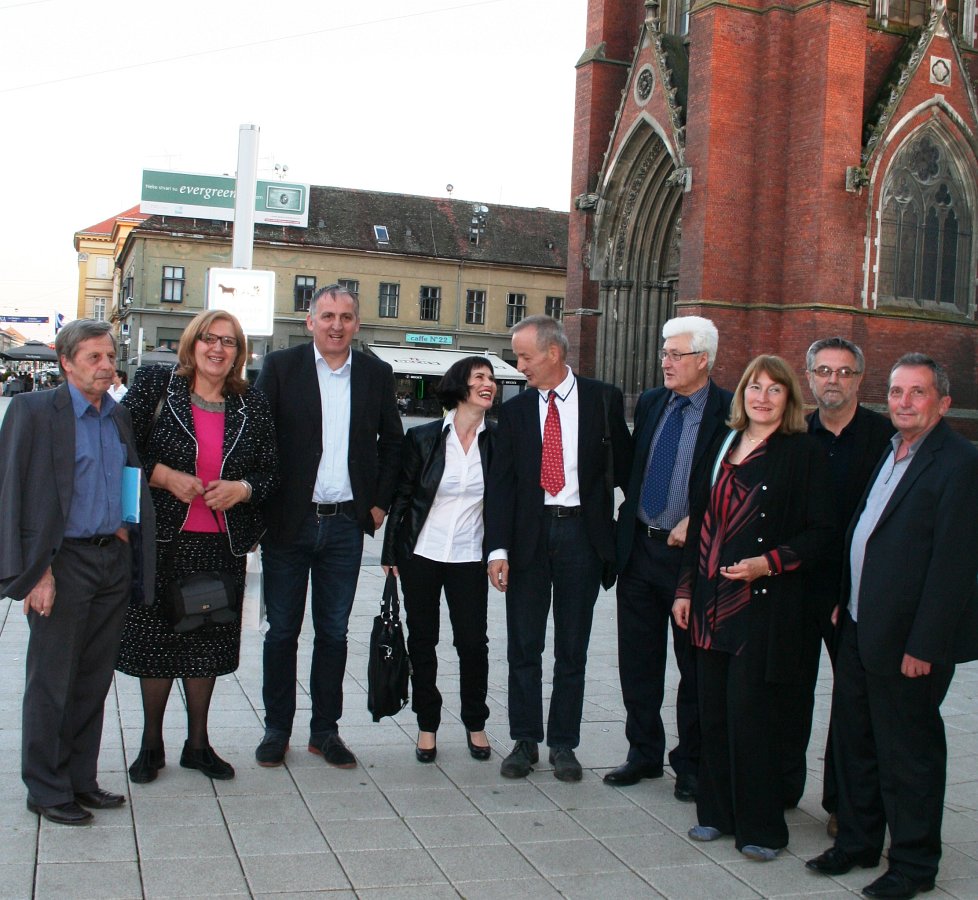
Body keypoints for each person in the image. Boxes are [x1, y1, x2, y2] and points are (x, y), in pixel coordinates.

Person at [806, 354, 978, 899]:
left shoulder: (958, 462)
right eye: (897, 392)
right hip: (859, 623)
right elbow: (866, 528)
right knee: (856, 742)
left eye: (917, 393)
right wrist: (842, 599)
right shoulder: (892, 448)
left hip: (910, 643)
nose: (903, 402)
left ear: (943, 402)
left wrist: (926, 644)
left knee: (909, 755)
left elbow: (955, 565)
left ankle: (913, 864)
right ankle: (857, 842)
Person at [672, 355, 834, 861]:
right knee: (713, 712)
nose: (762, 397)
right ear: (741, 394)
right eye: (754, 387)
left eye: (774, 390)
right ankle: (716, 813)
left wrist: (769, 563)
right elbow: (701, 521)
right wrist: (683, 590)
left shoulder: (801, 453)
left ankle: (763, 828)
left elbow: (823, 533)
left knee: (752, 716)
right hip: (710, 601)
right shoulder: (723, 444)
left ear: (789, 400)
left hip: (761, 603)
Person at [0, 320, 155, 826]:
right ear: (67, 362)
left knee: (92, 679)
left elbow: (128, 476)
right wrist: (34, 572)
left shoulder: (117, 416)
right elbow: (11, 494)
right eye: (94, 357)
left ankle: (80, 780)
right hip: (60, 563)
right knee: (51, 680)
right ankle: (45, 788)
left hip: (110, 559)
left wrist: (126, 534)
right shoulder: (34, 411)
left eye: (110, 356)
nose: (106, 366)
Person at [117, 309, 277, 783]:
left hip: (221, 546)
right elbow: (120, 447)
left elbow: (271, 472)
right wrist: (164, 477)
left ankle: (198, 744)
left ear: (238, 354)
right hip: (161, 541)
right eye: (210, 338)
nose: (218, 349)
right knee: (157, 644)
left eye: (229, 342)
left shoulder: (252, 404)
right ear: (192, 343)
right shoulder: (155, 386)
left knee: (205, 646)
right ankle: (150, 745)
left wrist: (242, 489)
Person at [255, 283, 403, 769]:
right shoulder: (281, 368)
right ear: (310, 322)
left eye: (345, 317)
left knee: (334, 633)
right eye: (327, 316)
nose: (336, 325)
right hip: (289, 523)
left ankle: (325, 730)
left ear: (357, 324)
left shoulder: (377, 375)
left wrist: (378, 505)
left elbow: (392, 445)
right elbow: (259, 437)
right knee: (282, 632)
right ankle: (277, 729)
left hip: (344, 525)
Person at [486, 315, 631, 782]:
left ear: (554, 353)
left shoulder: (602, 400)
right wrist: (497, 550)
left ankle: (564, 744)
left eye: (525, 356)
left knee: (573, 647)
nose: (518, 364)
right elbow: (501, 488)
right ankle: (525, 741)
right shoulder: (514, 412)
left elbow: (628, 469)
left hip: (580, 539)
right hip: (529, 539)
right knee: (523, 647)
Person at [605, 316, 731, 801]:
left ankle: (692, 763)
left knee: (693, 666)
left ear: (704, 360)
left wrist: (698, 520)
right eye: (664, 353)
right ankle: (644, 753)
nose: (666, 362)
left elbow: (732, 485)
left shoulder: (728, 411)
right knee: (637, 661)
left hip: (691, 560)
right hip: (639, 548)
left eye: (676, 355)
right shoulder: (654, 403)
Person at [382, 357, 497, 762]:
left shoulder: (497, 440)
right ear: (461, 387)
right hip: (422, 553)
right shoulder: (426, 437)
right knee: (422, 641)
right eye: (480, 377)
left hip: (469, 555)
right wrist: (391, 550)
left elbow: (504, 502)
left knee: (472, 643)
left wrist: (501, 552)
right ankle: (427, 725)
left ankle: (475, 722)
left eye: (492, 378)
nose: (489, 384)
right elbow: (404, 495)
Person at [800, 337, 893, 831]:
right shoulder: (795, 432)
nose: (832, 380)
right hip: (795, 586)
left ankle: (842, 802)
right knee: (787, 691)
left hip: (852, 593)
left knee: (852, 702)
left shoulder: (884, 437)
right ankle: (782, 786)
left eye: (843, 372)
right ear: (809, 377)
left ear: (859, 379)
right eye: (824, 371)